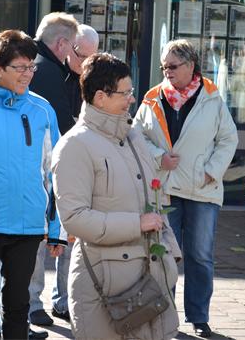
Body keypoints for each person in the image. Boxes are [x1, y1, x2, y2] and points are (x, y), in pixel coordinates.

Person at [52, 53, 180, 340]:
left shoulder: (133, 136)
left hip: (149, 281)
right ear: (100, 97)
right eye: (125, 93)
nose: (132, 99)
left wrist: (171, 254)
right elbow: (75, 218)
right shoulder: (74, 146)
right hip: (104, 288)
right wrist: (137, 224)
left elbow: (155, 200)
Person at [133, 39, 238, 338]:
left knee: (200, 256)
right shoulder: (152, 97)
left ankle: (199, 316)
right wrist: (159, 157)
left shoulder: (212, 98)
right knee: (163, 255)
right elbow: (137, 137)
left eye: (173, 66)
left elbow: (228, 139)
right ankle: (164, 314)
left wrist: (211, 172)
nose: (167, 71)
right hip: (164, 189)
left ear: (191, 66)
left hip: (201, 190)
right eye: (163, 67)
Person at [0, 29, 63, 340]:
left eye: (31, 66)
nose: (28, 74)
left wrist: (56, 229)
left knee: (19, 307)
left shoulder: (42, 109)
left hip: (29, 225)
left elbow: (55, 172)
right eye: (20, 67)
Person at [43, 23, 99, 326]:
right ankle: (46, 300)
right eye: (81, 55)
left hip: (83, 165)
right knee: (50, 235)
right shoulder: (51, 74)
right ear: (66, 48)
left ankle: (67, 299)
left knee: (74, 233)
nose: (86, 62)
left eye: (92, 56)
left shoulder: (92, 77)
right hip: (53, 164)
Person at [26, 12, 78, 329]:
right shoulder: (46, 70)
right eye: (73, 47)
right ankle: (33, 304)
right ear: (61, 44)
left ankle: (36, 303)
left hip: (33, 166)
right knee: (39, 237)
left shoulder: (34, 63)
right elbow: (62, 128)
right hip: (41, 169)